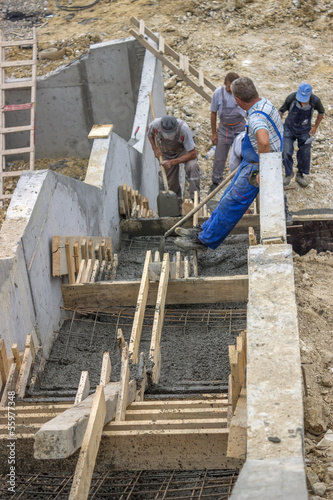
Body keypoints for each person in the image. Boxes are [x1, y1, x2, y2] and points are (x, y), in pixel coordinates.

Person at [174, 77, 284, 251]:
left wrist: (263, 170)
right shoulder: (264, 103)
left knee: (233, 203)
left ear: (238, 100)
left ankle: (204, 241)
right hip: (251, 161)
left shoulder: (256, 118)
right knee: (226, 196)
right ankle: (204, 229)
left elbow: (263, 141)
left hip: (257, 167)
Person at [147, 115, 200, 212]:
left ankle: (195, 200)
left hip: (183, 152)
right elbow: (149, 133)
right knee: (172, 183)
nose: (169, 136)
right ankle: (177, 209)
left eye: (171, 133)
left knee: (193, 166)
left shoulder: (183, 129)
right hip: (167, 153)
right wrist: (155, 149)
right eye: (166, 133)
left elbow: (193, 154)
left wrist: (173, 162)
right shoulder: (155, 124)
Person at [279, 83, 325, 188]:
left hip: (305, 130)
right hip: (289, 129)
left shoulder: (315, 100)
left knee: (305, 152)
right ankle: (288, 173)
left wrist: (315, 127)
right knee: (286, 151)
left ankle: (300, 174)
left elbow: (321, 112)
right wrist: (279, 124)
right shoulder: (291, 98)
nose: (303, 102)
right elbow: (281, 110)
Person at [209, 72, 246, 192]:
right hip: (224, 129)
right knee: (219, 158)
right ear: (224, 84)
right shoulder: (218, 93)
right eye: (229, 86)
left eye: (233, 87)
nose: (231, 89)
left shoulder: (242, 93)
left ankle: (240, 181)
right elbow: (213, 113)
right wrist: (214, 133)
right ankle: (216, 182)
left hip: (239, 127)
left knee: (241, 155)